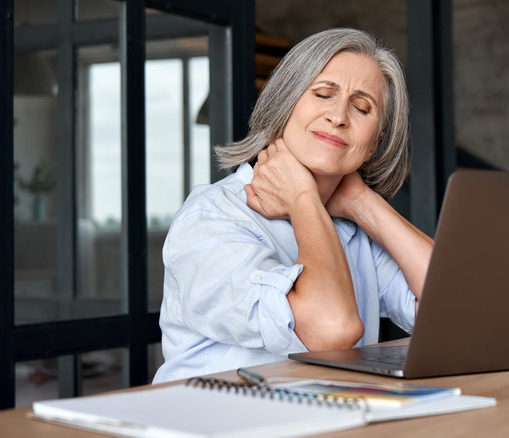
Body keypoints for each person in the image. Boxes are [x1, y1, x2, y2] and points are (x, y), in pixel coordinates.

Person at [153, 28, 433, 383]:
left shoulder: (352, 227)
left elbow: (464, 313)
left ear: (376, 141)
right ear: (283, 104)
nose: (339, 116)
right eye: (323, 94)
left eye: (363, 107)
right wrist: (303, 198)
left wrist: (365, 203)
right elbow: (331, 328)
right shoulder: (213, 218)